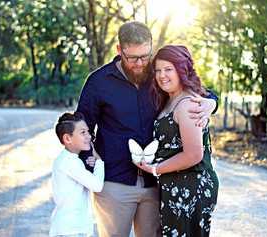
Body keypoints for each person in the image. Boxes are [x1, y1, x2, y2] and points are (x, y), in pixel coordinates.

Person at [76, 21, 218, 237]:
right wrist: (92, 161)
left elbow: (195, 92)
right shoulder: (98, 82)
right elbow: (81, 127)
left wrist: (213, 103)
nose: (141, 63)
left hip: (156, 185)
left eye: (145, 55)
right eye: (133, 58)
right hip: (115, 184)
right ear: (119, 50)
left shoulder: (160, 73)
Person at [135, 45, 219, 237]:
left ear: (182, 70)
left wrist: (155, 169)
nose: (162, 75)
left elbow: (194, 155)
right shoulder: (170, 99)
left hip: (191, 184)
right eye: (158, 70)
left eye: (168, 69)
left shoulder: (187, 104)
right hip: (174, 184)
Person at [49, 112, 104, 237]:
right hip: (71, 229)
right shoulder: (70, 162)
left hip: (72, 228)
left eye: (88, 132)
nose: (89, 136)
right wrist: (99, 161)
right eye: (82, 132)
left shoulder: (69, 160)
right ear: (67, 138)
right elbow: (97, 185)